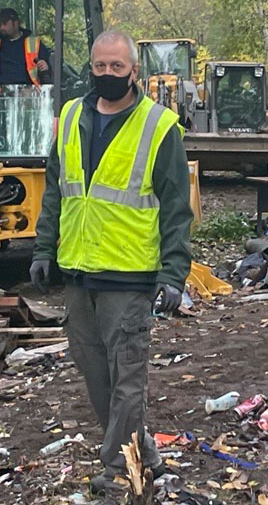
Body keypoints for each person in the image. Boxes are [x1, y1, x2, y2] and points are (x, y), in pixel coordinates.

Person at [28, 30, 193, 499]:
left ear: (133, 71)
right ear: (91, 67)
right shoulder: (72, 116)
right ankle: (144, 454)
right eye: (99, 67)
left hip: (130, 277)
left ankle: (117, 472)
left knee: (127, 381)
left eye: (116, 68)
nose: (107, 75)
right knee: (96, 376)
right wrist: (44, 251)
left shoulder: (158, 127)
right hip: (79, 273)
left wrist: (173, 273)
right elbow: (56, 190)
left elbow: (177, 208)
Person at [0, 7, 51, 97]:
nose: (1, 28)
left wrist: (45, 65)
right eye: (0, 24)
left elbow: (48, 65)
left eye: (5, 24)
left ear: (15, 23)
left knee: (27, 95)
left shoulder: (34, 43)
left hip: (27, 87)